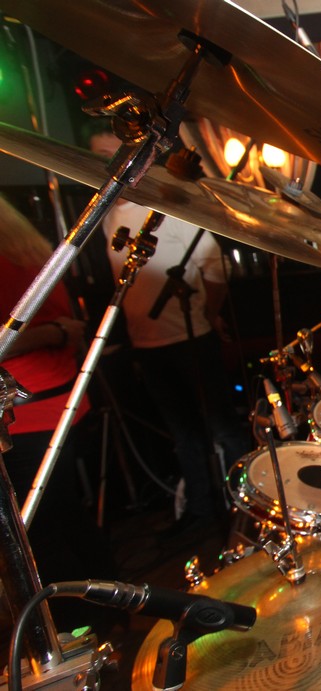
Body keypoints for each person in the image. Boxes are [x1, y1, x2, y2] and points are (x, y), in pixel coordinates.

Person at [87, 126, 249, 538]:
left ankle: (249, 506)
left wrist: (209, 313)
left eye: (113, 151)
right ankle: (200, 509)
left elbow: (215, 267)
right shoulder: (109, 216)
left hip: (191, 339)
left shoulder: (168, 207)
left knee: (222, 427)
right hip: (146, 343)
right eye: (100, 154)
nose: (108, 162)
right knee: (183, 434)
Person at [0, 194, 121, 635]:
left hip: (25, 414)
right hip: (60, 400)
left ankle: (79, 628)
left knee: (40, 532)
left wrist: (49, 333)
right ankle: (113, 610)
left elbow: (13, 335)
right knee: (66, 516)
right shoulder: (28, 249)